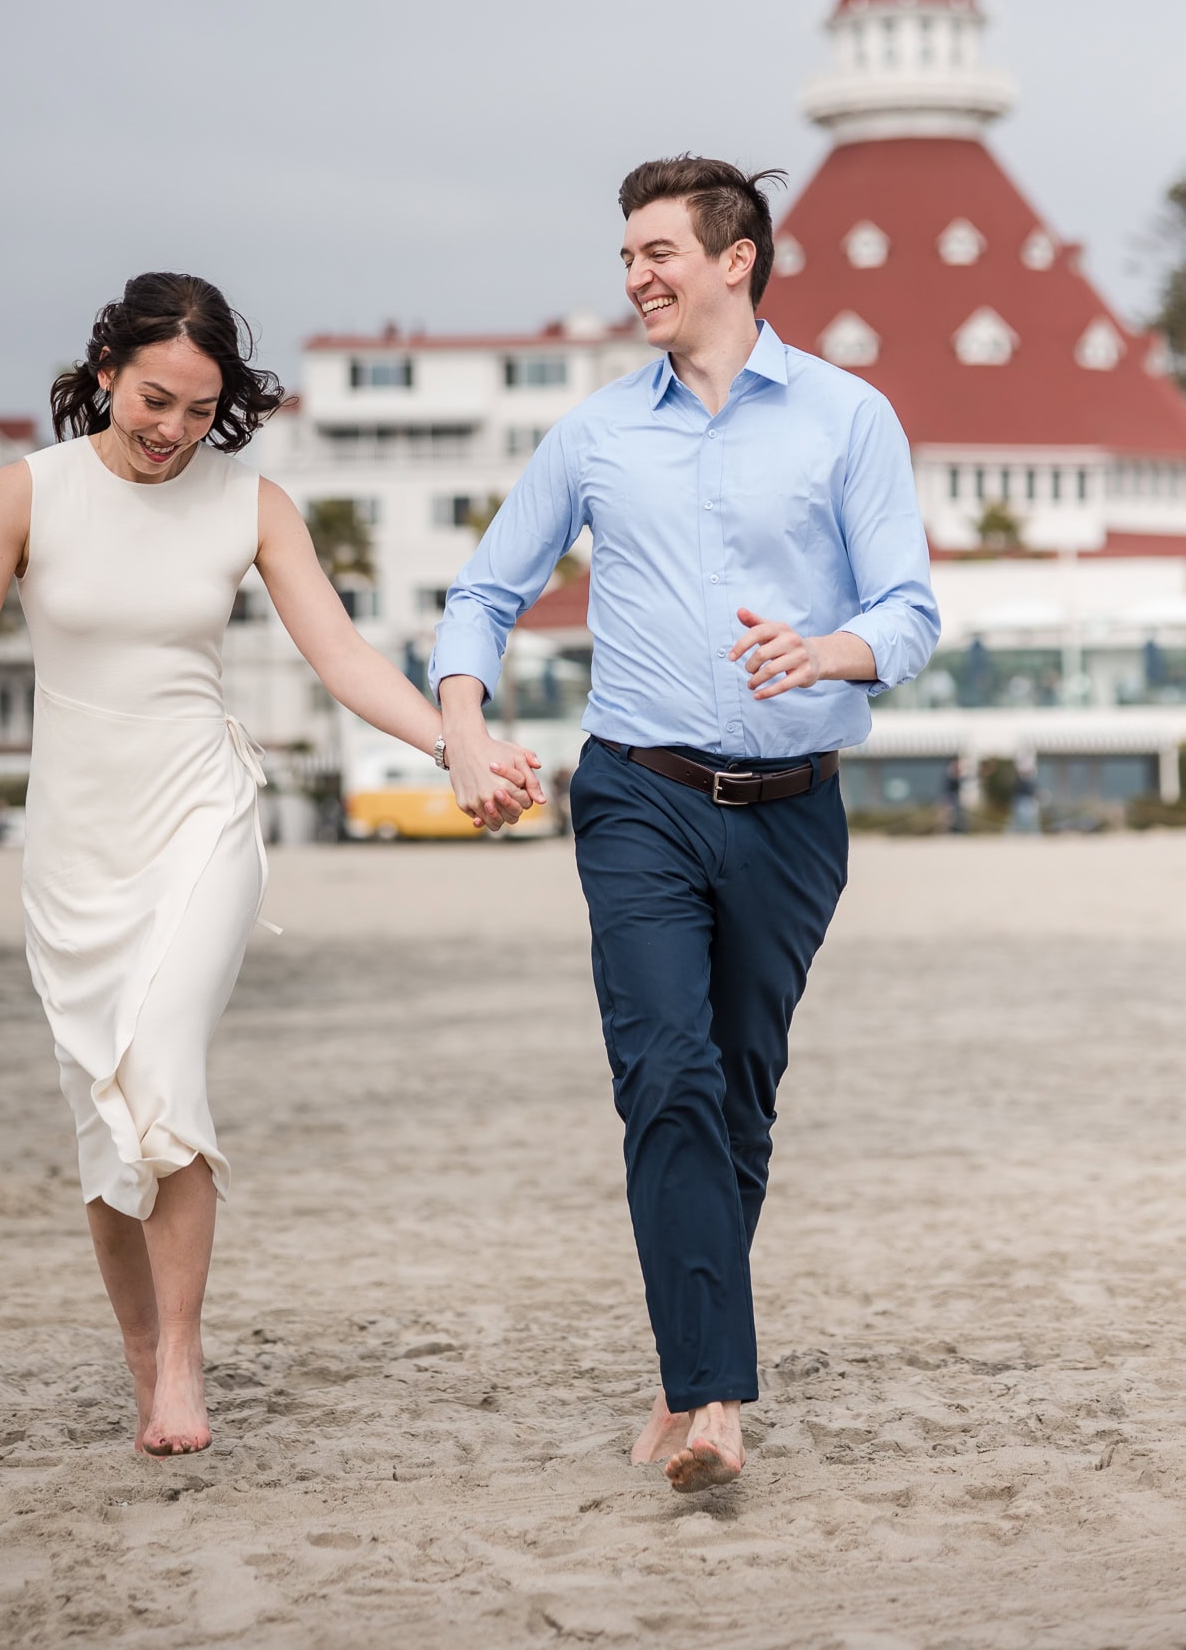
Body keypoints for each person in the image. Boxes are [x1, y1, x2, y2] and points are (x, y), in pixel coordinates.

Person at [0, 272, 541, 1458]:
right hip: (77, 842)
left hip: (201, 816)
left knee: (165, 1073)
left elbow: (341, 655)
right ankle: (143, 1365)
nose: (170, 429)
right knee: (106, 1118)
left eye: (198, 409)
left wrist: (464, 742)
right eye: (152, 399)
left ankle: (184, 1359)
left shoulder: (252, 503)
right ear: (105, 374)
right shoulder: (25, 493)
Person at [430, 158, 939, 1492]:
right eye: (624, 258)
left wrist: (826, 653)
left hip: (791, 818)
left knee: (738, 1097)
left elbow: (908, 611)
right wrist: (465, 724)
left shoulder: (846, 418)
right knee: (664, 1075)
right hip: (636, 796)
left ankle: (680, 1365)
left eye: (657, 252)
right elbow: (482, 591)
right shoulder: (596, 434)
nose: (635, 276)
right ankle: (713, 1398)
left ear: (737, 259)